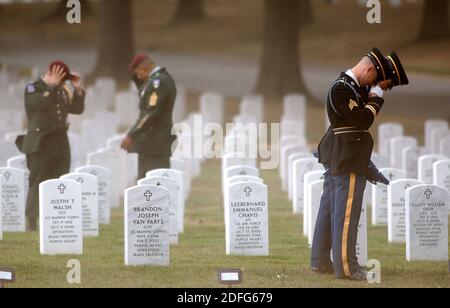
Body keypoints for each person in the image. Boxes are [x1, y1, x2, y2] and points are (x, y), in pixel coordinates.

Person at [311, 48, 400, 281]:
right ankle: (347, 267)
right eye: (374, 80)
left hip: (343, 155)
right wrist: (376, 100)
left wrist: (372, 94)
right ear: (369, 69)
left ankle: (320, 261)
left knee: (330, 209)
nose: (373, 86)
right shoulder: (342, 88)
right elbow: (362, 120)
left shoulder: (350, 87)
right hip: (348, 158)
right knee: (346, 214)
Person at [16, 61, 85, 231]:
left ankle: (55, 219)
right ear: (52, 73)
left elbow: (77, 109)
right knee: (38, 180)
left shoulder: (61, 90)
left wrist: (77, 89)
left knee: (60, 179)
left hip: (60, 141)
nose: (64, 82)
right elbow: (38, 104)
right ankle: (32, 222)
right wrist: (51, 86)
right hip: (40, 142)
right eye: (63, 78)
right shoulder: (34, 88)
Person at [121, 54, 177, 179]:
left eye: (137, 72)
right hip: (151, 142)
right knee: (145, 183)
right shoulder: (157, 79)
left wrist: (132, 135)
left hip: (155, 141)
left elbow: (150, 112)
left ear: (144, 68)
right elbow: (143, 92)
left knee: (155, 183)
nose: (137, 76)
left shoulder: (158, 82)